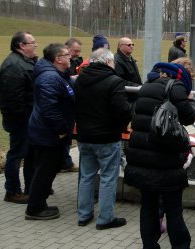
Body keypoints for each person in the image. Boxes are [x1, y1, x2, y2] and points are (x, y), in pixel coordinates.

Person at [124, 59, 195, 249]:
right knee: (173, 209)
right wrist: (191, 100)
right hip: (165, 160)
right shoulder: (176, 86)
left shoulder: (147, 86)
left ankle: (149, 245)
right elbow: (189, 117)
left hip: (141, 157)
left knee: (148, 206)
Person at [74, 48, 132, 229]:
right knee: (108, 178)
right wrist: (123, 125)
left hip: (84, 136)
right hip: (107, 137)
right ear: (108, 62)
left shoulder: (80, 79)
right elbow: (123, 110)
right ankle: (105, 218)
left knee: (86, 176)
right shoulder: (114, 81)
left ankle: (84, 215)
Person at [26, 43, 75, 220]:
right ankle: (35, 208)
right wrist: (61, 129)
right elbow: (49, 108)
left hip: (49, 132)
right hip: (48, 133)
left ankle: (40, 203)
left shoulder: (57, 75)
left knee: (49, 168)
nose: (70, 56)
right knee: (44, 170)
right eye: (67, 54)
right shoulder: (49, 78)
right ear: (58, 59)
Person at [0, 31, 38, 204]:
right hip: (21, 120)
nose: (36, 45)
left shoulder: (25, 62)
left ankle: (31, 187)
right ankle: (12, 191)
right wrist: (24, 119)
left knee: (30, 154)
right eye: (32, 42)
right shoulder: (13, 65)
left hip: (28, 118)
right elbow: (13, 99)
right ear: (21, 46)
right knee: (17, 154)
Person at [61, 37, 83, 172]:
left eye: (79, 51)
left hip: (73, 104)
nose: (77, 54)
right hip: (65, 105)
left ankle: (65, 162)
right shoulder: (61, 65)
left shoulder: (77, 60)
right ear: (67, 48)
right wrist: (72, 80)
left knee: (68, 136)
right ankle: (63, 162)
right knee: (64, 135)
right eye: (75, 51)